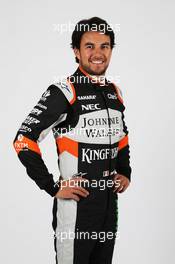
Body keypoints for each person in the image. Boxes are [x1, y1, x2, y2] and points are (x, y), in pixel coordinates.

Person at [13, 17, 131, 264]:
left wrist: (124, 171)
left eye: (105, 46)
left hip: (109, 210)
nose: (98, 53)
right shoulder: (64, 91)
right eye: (89, 46)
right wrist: (52, 186)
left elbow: (122, 137)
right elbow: (23, 140)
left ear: (111, 50)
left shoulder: (114, 92)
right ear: (76, 51)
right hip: (75, 212)